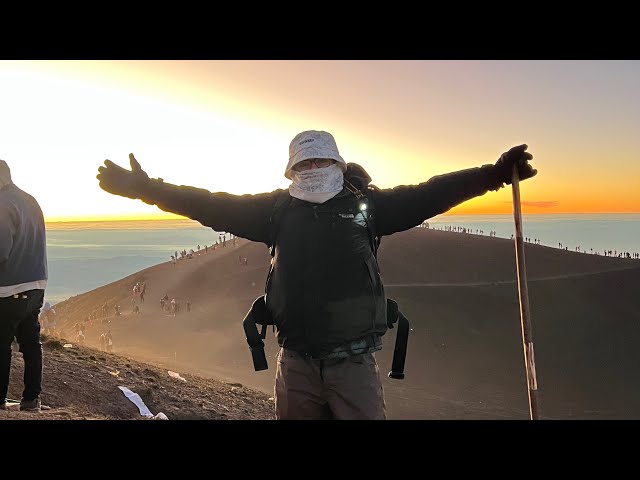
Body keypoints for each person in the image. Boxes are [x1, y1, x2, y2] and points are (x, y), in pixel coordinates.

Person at [96, 129, 537, 420]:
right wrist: (147, 189)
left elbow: (432, 192)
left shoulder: (371, 208)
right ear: (291, 171)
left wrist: (495, 174)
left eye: (319, 162)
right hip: (297, 361)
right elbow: (210, 202)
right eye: (303, 165)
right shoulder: (274, 211)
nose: (312, 171)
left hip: (353, 363)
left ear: (338, 165)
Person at [0, 160, 48, 413]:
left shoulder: (3, 203)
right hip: (37, 284)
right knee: (31, 343)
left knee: (1, 343)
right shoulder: (30, 200)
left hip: (8, 288)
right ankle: (31, 400)